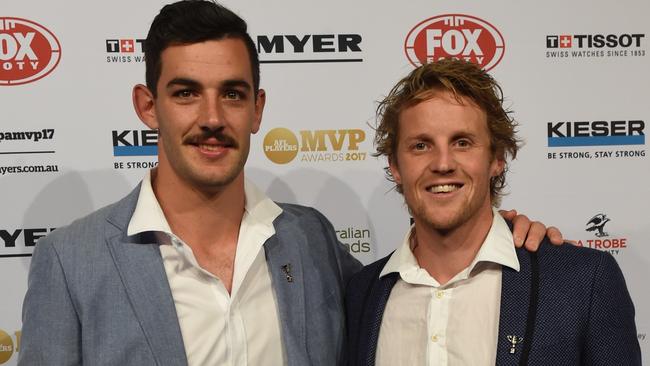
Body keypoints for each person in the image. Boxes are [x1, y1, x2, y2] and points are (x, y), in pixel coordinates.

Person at [20, 2, 562, 365]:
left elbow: (419, 278)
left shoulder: (310, 239)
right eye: (186, 92)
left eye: (232, 93)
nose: (212, 117)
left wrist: (500, 233)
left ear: (257, 109)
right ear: (147, 106)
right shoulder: (72, 260)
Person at [344, 59, 641, 365]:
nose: (443, 164)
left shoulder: (582, 280)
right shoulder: (361, 293)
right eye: (421, 146)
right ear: (395, 166)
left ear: (497, 158)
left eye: (462, 142)